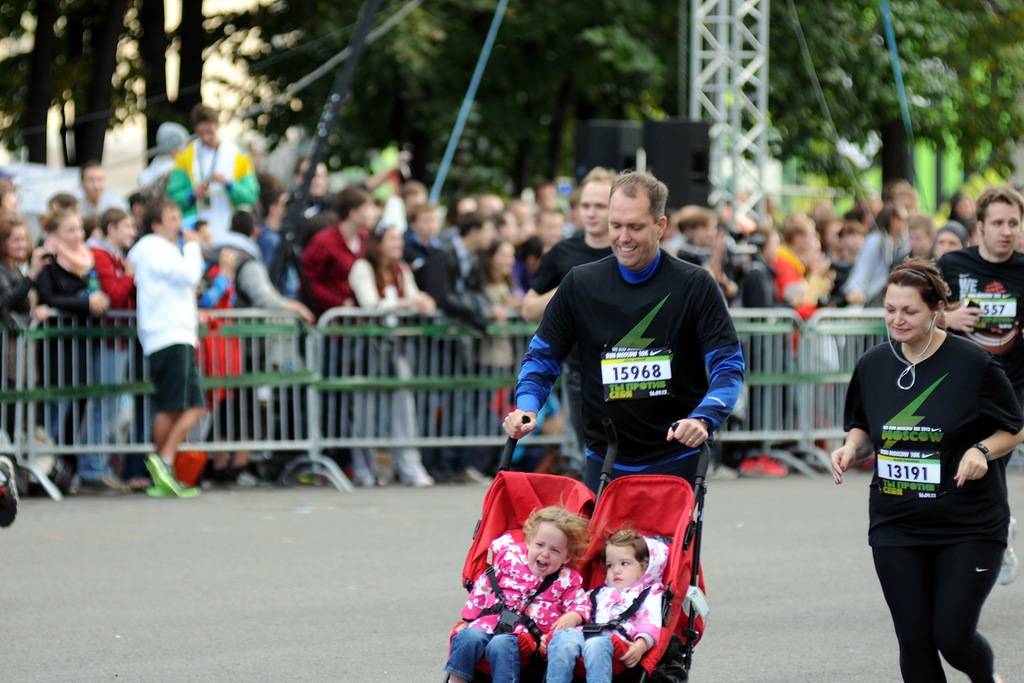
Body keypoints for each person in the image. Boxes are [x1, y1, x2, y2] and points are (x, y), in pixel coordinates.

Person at [830, 257, 1022, 683]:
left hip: (968, 523)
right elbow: (862, 424)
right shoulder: (874, 364)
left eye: (909, 310)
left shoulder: (973, 363)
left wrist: (980, 450)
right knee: (914, 640)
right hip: (897, 520)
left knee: (951, 637)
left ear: (936, 309)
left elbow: (1014, 427)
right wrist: (850, 448)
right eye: (890, 309)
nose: (897, 320)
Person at [503, 171, 744, 491]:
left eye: (635, 227)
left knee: (663, 545)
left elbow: (728, 366)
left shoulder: (695, 285)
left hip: (676, 457)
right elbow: (542, 357)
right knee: (602, 544)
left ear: (660, 226)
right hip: (605, 458)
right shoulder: (580, 282)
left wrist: (703, 417)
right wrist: (528, 406)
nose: (623, 237)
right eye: (615, 225)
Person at [937, 185, 1024, 586]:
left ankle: (996, 535)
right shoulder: (953, 264)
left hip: (1011, 387)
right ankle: (983, 532)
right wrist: (947, 320)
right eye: (998, 223)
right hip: (963, 386)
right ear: (981, 227)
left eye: (1014, 223)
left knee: (990, 460)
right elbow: (917, 309)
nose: (1006, 231)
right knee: (961, 466)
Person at [443, 506, 591, 683]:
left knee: (501, 644)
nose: (545, 553)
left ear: (567, 558)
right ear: (528, 542)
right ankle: (456, 679)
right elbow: (484, 586)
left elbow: (581, 604)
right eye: (539, 545)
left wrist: (574, 615)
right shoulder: (510, 559)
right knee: (468, 636)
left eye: (555, 550)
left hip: (526, 634)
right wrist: (468, 619)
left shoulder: (566, 579)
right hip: (489, 620)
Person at [127, 199, 206, 498]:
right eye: (172, 218)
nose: (179, 223)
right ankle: (162, 464)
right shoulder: (155, 247)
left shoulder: (159, 250)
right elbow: (188, 275)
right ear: (156, 224)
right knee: (174, 404)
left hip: (175, 333)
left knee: (191, 404)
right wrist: (195, 247)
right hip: (168, 334)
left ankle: (163, 465)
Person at [348, 224, 436, 487]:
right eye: (392, 239)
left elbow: (414, 296)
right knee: (365, 407)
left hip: (397, 346)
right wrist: (409, 303)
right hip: (368, 347)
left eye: (399, 239)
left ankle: (409, 466)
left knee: (404, 406)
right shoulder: (362, 268)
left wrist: (423, 301)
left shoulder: (401, 269)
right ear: (378, 243)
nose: (399, 244)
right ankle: (366, 470)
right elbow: (370, 304)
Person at [546, 530, 666, 683]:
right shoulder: (598, 593)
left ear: (644, 567)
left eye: (624, 563)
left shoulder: (648, 594)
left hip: (616, 640)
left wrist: (640, 646)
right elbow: (581, 606)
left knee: (595, 644)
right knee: (562, 639)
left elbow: (650, 622)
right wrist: (574, 616)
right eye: (610, 565)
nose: (616, 570)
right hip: (586, 632)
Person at [167, 103, 260, 240]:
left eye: (210, 132)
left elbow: (250, 196)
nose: (206, 138)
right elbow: (174, 197)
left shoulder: (237, 155)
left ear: (217, 126)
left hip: (229, 229)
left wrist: (229, 185)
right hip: (196, 230)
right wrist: (192, 194)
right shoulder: (185, 156)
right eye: (201, 133)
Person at [300, 187, 377, 317]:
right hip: (331, 319)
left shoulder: (367, 240)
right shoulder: (324, 241)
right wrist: (337, 303)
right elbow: (308, 281)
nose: (372, 213)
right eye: (367, 208)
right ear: (353, 213)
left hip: (361, 318)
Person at [843, 203, 910, 307]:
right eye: (904, 219)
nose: (906, 224)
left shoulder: (903, 243)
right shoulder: (875, 241)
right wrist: (855, 290)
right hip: (872, 301)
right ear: (894, 221)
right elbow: (863, 268)